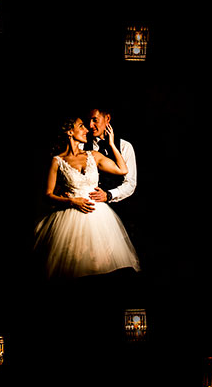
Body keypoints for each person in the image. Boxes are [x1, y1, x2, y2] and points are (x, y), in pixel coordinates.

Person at [32, 116, 140, 280]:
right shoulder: (57, 161)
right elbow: (48, 195)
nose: (87, 129)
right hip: (70, 217)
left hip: (98, 217)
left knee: (101, 264)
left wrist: (111, 143)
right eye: (81, 126)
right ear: (70, 132)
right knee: (73, 265)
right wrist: (71, 200)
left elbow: (123, 170)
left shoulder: (93, 155)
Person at [85, 107, 137, 207]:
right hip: (89, 206)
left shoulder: (124, 146)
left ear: (107, 118)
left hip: (117, 207)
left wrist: (109, 195)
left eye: (95, 120)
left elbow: (130, 183)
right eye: (89, 121)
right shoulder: (82, 146)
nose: (91, 125)